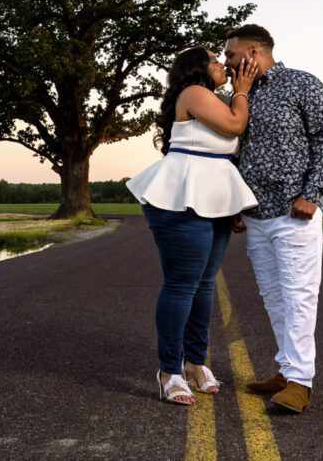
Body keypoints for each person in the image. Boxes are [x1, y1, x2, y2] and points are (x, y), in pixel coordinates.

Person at [127, 47, 259, 406]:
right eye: (215, 60)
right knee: (182, 286)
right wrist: (242, 90)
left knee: (204, 285)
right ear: (197, 69)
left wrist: (230, 205)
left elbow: (226, 151)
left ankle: (195, 363)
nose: (222, 65)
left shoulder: (213, 98)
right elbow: (235, 125)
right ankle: (169, 371)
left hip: (214, 197)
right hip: (180, 196)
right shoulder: (195, 93)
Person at [223, 24, 323, 414]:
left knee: (299, 295)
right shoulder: (238, 97)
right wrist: (236, 204)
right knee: (273, 297)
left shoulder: (301, 84)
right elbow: (234, 155)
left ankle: (301, 383)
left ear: (254, 52)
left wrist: (313, 193)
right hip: (255, 215)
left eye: (232, 55)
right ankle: (287, 370)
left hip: (294, 210)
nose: (227, 63)